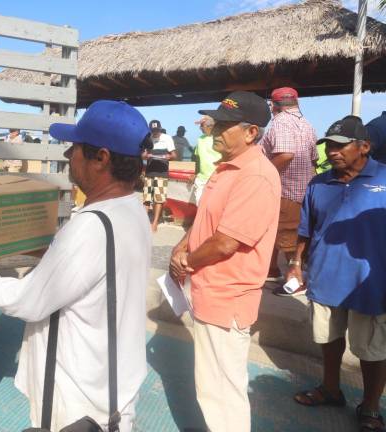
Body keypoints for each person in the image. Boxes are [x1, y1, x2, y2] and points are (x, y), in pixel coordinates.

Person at [0, 100, 151, 430]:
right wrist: (40, 250)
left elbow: (26, 300)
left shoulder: (90, 227)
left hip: (76, 400)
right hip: (112, 385)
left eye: (75, 147)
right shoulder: (131, 209)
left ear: (101, 157)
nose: (68, 155)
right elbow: (89, 271)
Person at [169, 91, 280, 432]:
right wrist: (181, 245)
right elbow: (206, 220)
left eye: (227, 125)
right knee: (212, 387)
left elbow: (226, 241)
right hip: (210, 292)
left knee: (222, 392)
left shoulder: (255, 174)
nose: (217, 129)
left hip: (227, 296)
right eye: (218, 121)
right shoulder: (226, 168)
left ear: (251, 133)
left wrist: (187, 260)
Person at [287, 116, 386, 432]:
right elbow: (306, 229)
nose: (333, 152)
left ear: (364, 146)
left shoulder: (384, 180)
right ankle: (331, 389)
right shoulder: (318, 183)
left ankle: (371, 406)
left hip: (371, 285)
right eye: (329, 145)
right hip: (326, 277)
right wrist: (296, 263)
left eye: (341, 146)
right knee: (328, 339)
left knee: (372, 349)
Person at [259, 87, 318, 288]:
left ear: (273, 105)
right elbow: (314, 159)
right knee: (278, 232)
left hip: (286, 191)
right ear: (296, 102)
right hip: (304, 191)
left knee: (289, 240)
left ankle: (295, 281)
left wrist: (263, 173)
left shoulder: (280, 121)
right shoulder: (307, 123)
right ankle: (271, 269)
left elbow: (285, 154)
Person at [142, 119, 177, 232]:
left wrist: (168, 157)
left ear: (160, 129)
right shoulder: (148, 138)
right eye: (153, 130)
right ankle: (142, 221)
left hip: (162, 172)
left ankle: (155, 222)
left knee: (158, 199)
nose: (155, 132)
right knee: (146, 198)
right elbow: (143, 155)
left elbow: (174, 155)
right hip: (149, 172)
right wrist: (145, 156)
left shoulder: (167, 138)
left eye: (157, 130)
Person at [192, 115, 220, 204]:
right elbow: (197, 158)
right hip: (201, 179)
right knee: (199, 204)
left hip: (217, 178)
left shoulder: (219, 138)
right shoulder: (200, 139)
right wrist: (195, 173)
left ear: (211, 126)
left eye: (202, 126)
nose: (200, 128)